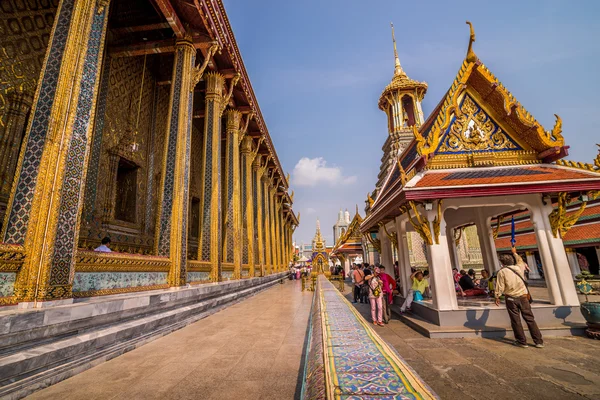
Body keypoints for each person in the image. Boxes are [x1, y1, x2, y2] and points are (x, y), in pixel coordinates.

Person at [495, 247, 544, 348]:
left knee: (515, 320)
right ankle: (538, 341)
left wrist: (497, 297)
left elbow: (500, 286)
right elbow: (520, 261)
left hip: (511, 298)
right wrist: (515, 253)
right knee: (530, 319)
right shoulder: (519, 268)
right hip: (523, 297)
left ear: (502, 263)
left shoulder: (502, 272)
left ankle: (522, 341)